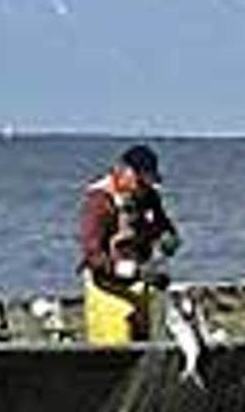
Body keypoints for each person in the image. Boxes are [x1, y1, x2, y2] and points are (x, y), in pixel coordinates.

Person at [78, 143, 180, 344]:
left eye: (148, 183)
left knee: (152, 336)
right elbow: (93, 255)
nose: (143, 188)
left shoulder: (148, 196)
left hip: (139, 287)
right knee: (118, 341)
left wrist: (170, 239)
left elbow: (163, 226)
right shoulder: (99, 200)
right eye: (140, 182)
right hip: (106, 288)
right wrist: (133, 271)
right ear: (125, 171)